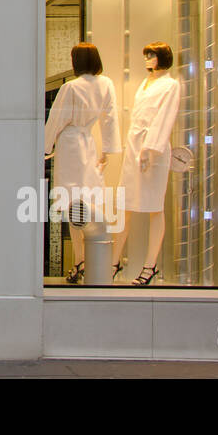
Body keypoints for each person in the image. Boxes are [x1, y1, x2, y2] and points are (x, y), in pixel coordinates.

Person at [44, 43, 120, 283]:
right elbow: (110, 119)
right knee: (89, 202)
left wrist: (44, 148)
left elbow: (56, 120)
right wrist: (107, 150)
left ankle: (80, 260)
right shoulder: (106, 84)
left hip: (70, 145)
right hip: (89, 143)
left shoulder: (71, 88)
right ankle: (86, 260)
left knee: (73, 203)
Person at [111, 41, 183, 286]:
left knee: (155, 206)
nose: (147, 60)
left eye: (151, 55)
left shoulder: (171, 85)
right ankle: (113, 260)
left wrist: (151, 147)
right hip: (134, 146)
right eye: (146, 55)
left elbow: (165, 118)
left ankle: (150, 265)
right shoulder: (144, 83)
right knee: (126, 204)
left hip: (154, 150)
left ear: (161, 57)